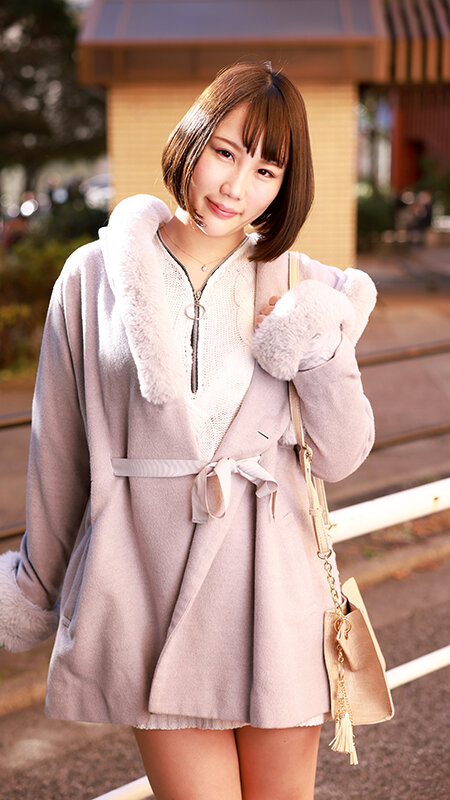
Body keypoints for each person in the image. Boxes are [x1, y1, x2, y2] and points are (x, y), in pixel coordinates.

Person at [0, 63, 377, 800]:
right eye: (225, 152)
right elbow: (59, 455)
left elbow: (342, 453)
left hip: (272, 591)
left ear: (284, 185)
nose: (235, 186)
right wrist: (35, 591)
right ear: (192, 141)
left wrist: (316, 344)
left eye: (266, 170)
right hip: (147, 583)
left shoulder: (306, 287)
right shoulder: (92, 278)